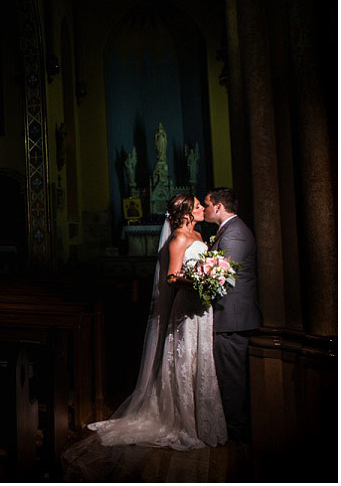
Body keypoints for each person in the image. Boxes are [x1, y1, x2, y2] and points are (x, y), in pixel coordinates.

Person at [62, 193, 226, 478]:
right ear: (186, 212)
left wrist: (210, 277)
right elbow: (172, 277)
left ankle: (204, 420)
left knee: (202, 359)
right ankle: (181, 419)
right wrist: (200, 280)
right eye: (198, 206)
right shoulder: (177, 239)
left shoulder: (199, 234)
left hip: (202, 308)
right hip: (185, 307)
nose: (203, 208)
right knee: (185, 361)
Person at [202, 187, 261, 442]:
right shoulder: (228, 231)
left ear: (218, 206)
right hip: (230, 317)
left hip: (232, 318)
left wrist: (192, 282)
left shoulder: (234, 234)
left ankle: (235, 433)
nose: (204, 209)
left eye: (206, 204)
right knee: (228, 376)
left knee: (232, 378)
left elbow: (221, 280)